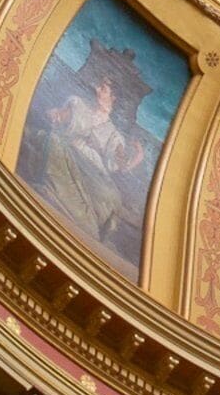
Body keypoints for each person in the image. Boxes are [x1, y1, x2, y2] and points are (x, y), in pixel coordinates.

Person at [26, 42, 155, 269]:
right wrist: (56, 115)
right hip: (70, 151)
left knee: (110, 195)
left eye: (104, 89)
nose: (98, 90)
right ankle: (71, 210)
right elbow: (60, 118)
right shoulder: (78, 104)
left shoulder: (113, 133)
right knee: (54, 144)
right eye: (100, 86)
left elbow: (117, 164)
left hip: (94, 170)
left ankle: (91, 218)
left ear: (113, 98)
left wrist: (136, 157)